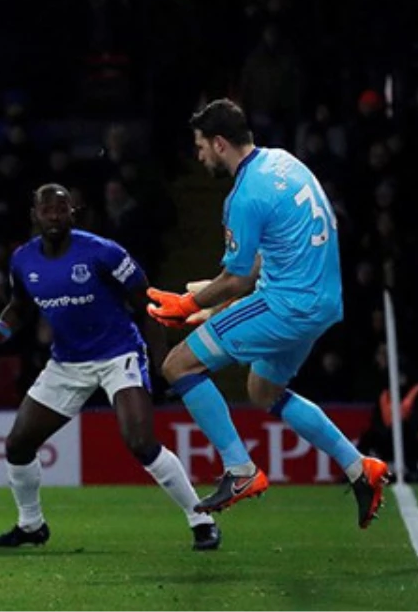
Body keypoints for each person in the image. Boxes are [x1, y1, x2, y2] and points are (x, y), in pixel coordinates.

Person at [145, 99, 393, 527]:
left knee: (178, 364)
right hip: (322, 300)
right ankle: (359, 467)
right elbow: (270, 253)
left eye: (201, 146)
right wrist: (219, 301)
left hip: (287, 304)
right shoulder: (282, 162)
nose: (199, 154)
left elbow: (238, 279)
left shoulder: (243, 196)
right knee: (263, 390)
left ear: (220, 143)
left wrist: (190, 304)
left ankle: (240, 471)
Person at [0, 184, 221, 552]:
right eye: (46, 210)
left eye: (61, 209)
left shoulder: (103, 253)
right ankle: (31, 526)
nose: (54, 216)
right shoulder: (23, 260)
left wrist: (161, 360)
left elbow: (147, 306)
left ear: (74, 212)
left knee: (140, 443)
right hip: (67, 362)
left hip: (119, 355)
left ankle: (202, 520)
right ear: (34, 215)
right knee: (18, 445)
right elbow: (19, 307)